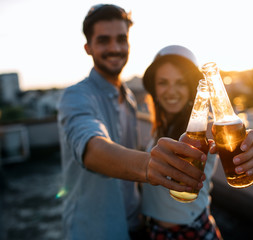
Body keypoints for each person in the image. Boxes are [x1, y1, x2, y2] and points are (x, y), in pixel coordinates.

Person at [57, 5, 208, 240]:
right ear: (88, 48)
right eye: (104, 40)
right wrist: (149, 166)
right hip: (95, 231)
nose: (115, 48)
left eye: (121, 39)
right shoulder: (76, 96)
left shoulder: (128, 99)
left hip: (137, 227)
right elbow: (92, 147)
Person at [141, 45, 253, 240]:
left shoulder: (201, 128)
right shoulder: (161, 126)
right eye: (163, 82)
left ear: (192, 86)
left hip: (189, 232)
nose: (171, 91)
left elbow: (229, 131)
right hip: (156, 230)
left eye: (180, 83)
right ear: (154, 88)